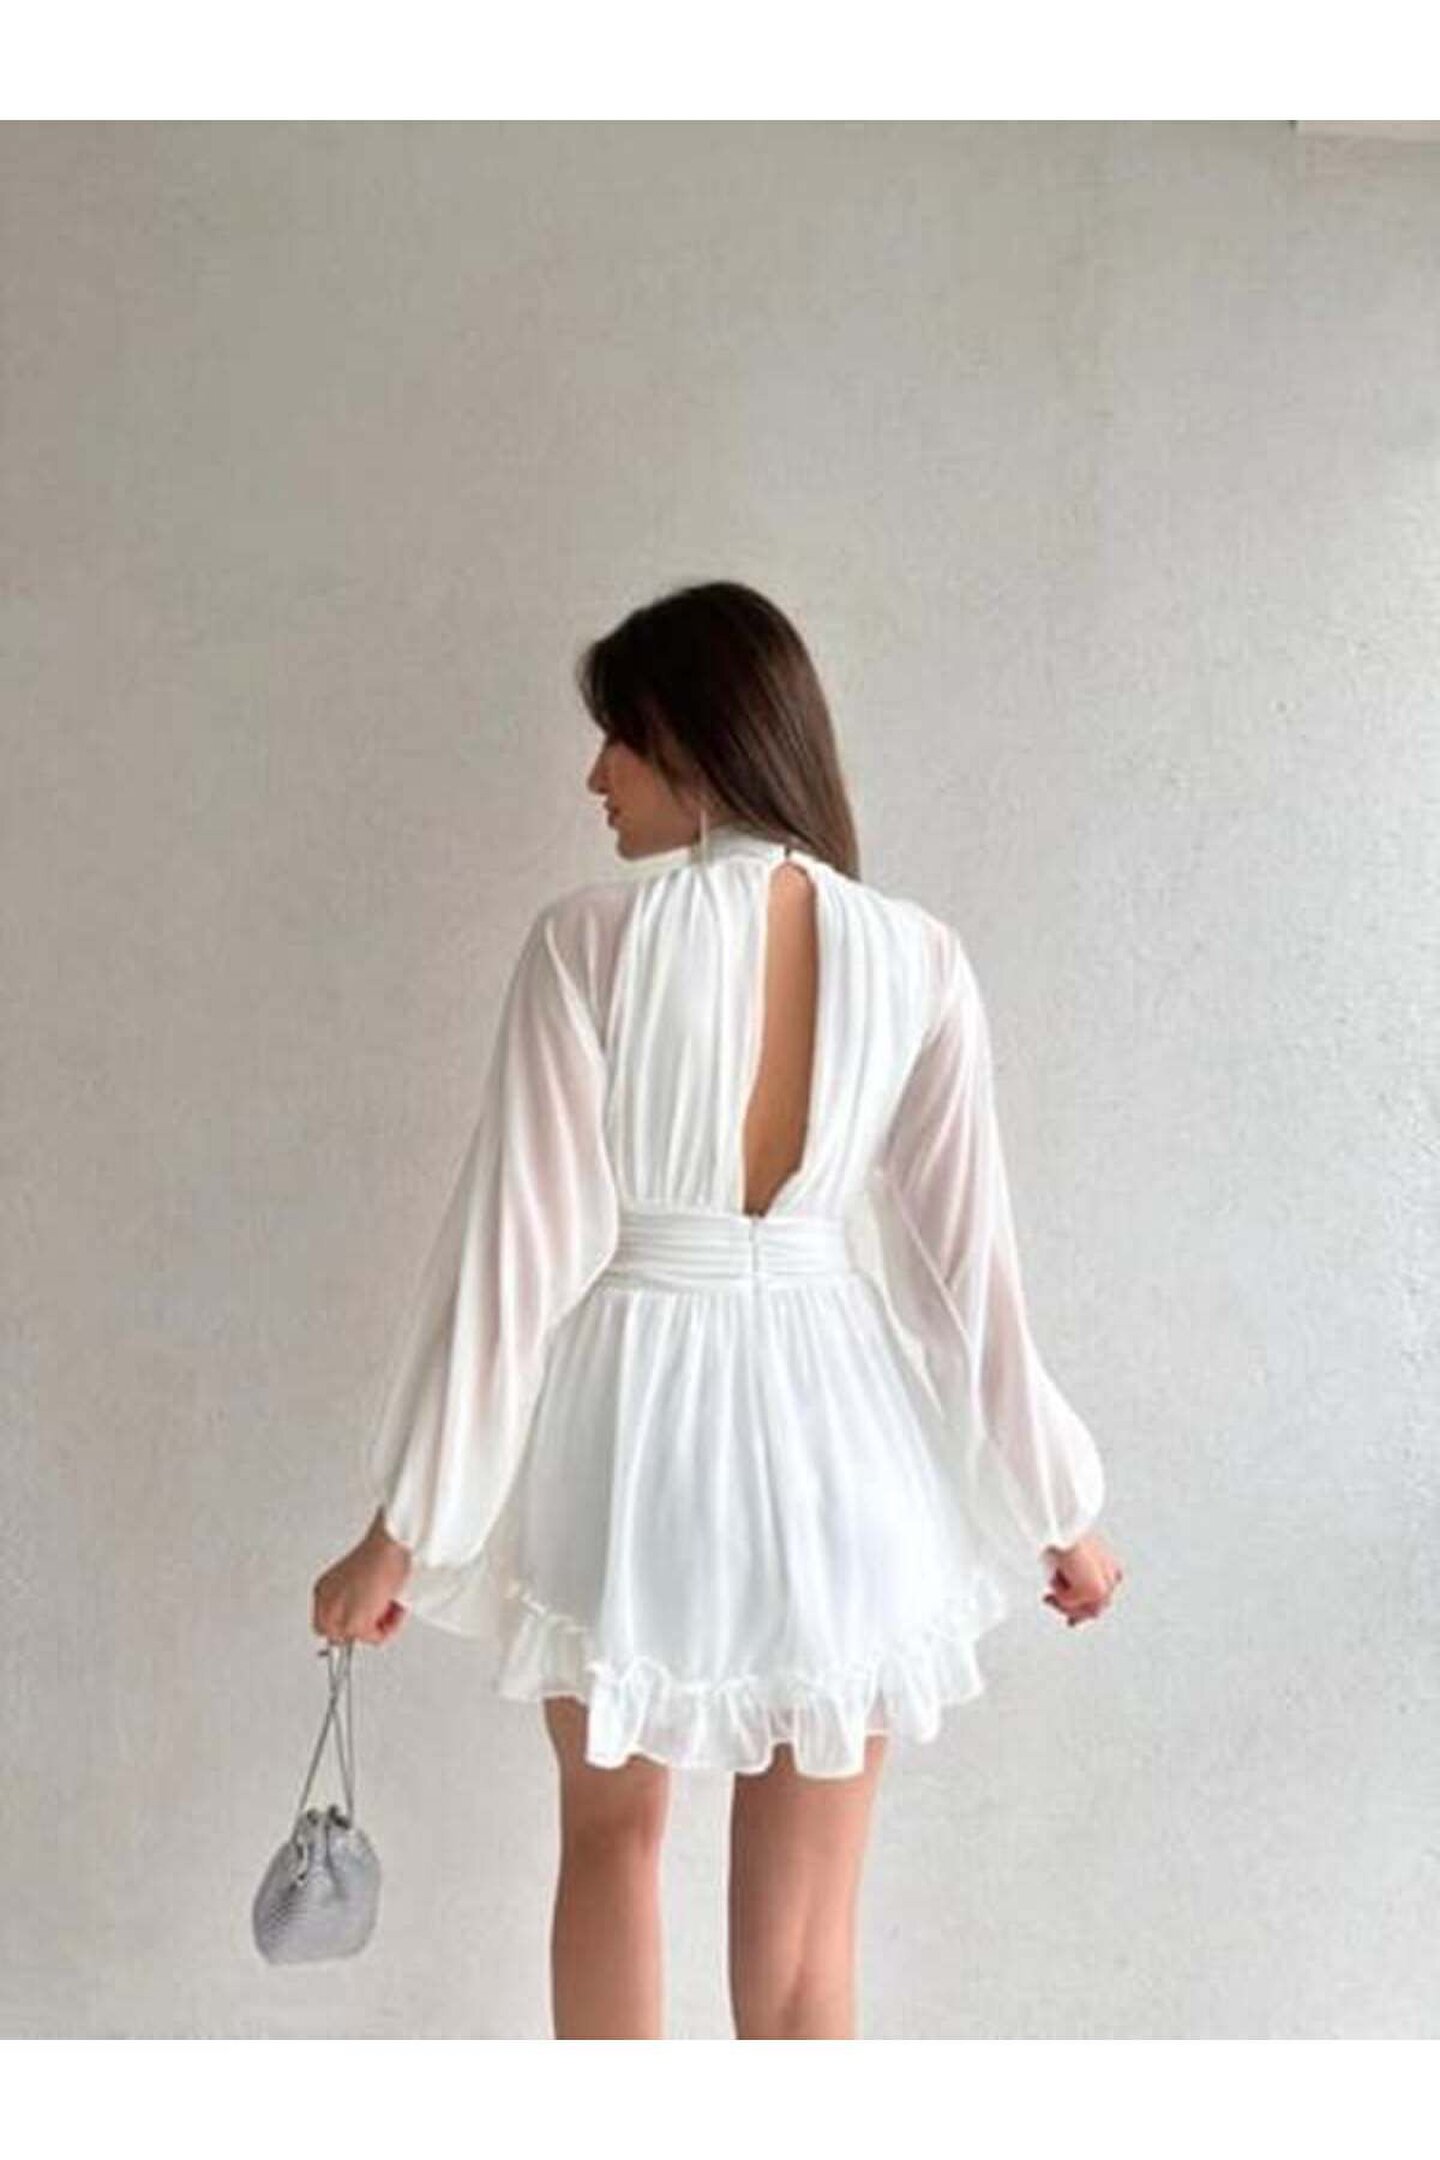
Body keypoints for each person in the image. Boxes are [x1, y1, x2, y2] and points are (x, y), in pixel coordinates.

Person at [312, 578, 1125, 2040]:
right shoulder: (918, 957)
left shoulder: (589, 942)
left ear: (692, 737)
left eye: (618, 736)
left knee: (612, 1847)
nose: (595, 776)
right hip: (841, 1439)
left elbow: (516, 1258)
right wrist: (1055, 1508)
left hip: (635, 1432)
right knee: (810, 1950)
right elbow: (960, 1277)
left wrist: (404, 1529)